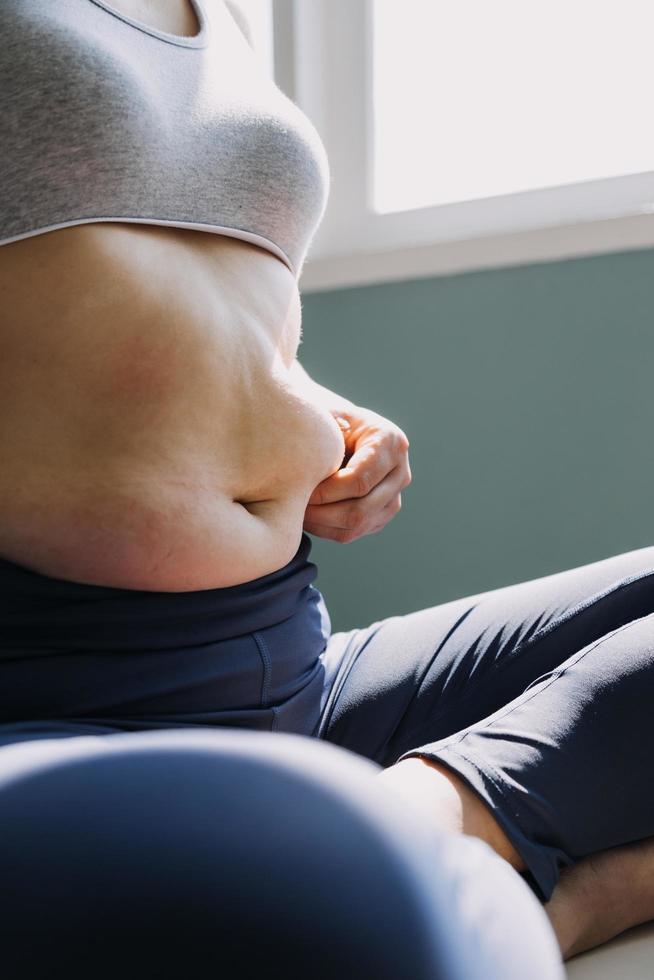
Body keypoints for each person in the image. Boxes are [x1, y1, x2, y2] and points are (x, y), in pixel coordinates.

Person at [1, 1, 653, 975]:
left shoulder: (220, 14)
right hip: (54, 687)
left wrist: (309, 409)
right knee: (347, 907)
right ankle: (540, 883)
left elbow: (201, 310)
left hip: (298, 670)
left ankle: (437, 818)